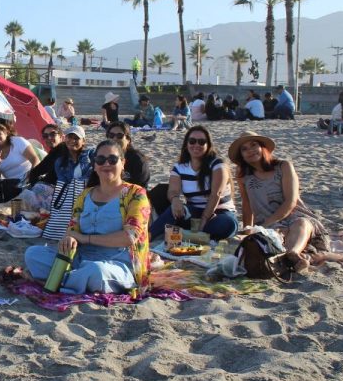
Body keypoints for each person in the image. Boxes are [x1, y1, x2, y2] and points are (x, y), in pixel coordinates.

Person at [23, 139, 150, 294]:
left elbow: (129, 237)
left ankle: (56, 281)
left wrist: (86, 239)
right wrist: (69, 238)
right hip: (79, 258)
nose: (106, 164)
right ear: (95, 165)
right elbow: (72, 229)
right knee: (33, 254)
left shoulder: (135, 194)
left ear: (123, 162)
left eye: (112, 159)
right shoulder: (85, 195)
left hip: (116, 261)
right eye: (101, 159)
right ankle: (72, 280)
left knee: (96, 271)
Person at [229, 131, 343, 271]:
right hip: (267, 223)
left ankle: (293, 254)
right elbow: (247, 204)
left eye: (254, 145)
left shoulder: (283, 166)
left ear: (262, 147)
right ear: (241, 155)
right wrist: (248, 229)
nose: (250, 151)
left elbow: (290, 202)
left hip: (294, 216)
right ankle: (304, 259)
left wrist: (269, 224)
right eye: (244, 149)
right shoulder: (243, 175)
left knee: (301, 223)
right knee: (270, 241)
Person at [149, 125, 238, 242]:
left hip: (219, 212)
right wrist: (175, 200)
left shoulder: (218, 165)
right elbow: (173, 191)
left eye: (201, 142)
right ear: (186, 144)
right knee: (173, 210)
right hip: (194, 212)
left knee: (228, 224)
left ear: (208, 145)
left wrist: (204, 221)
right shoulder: (180, 167)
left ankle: (191, 234)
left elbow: (215, 195)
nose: (196, 145)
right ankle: (147, 237)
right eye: (192, 141)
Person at [104, 122, 150, 188]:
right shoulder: (102, 158)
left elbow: (141, 189)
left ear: (128, 139)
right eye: (111, 135)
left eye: (119, 136)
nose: (115, 138)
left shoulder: (137, 160)